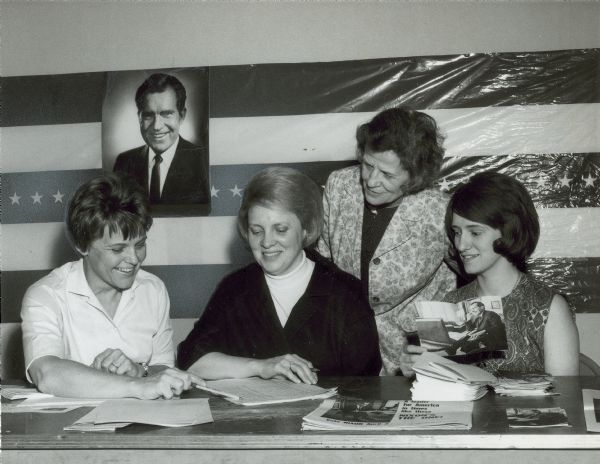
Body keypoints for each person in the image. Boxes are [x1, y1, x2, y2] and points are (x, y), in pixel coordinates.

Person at [177, 167, 382, 382]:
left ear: (306, 229)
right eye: (257, 231)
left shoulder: (346, 292)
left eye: (280, 229)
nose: (266, 242)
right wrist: (259, 366)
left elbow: (366, 387)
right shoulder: (234, 288)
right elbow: (191, 361)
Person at [21, 173, 203, 398]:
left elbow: (162, 368)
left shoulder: (153, 289)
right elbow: (47, 373)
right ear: (82, 245)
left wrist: (139, 371)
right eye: (118, 249)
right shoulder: (45, 295)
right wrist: (137, 386)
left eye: (140, 245)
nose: (134, 259)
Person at [317, 107, 456, 375]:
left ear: (415, 177)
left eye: (389, 175)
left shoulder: (440, 210)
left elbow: (453, 291)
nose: (371, 180)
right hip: (343, 351)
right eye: (368, 165)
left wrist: (437, 355)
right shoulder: (339, 185)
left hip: (410, 359)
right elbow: (323, 268)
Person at [401, 171, 579, 375]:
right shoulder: (451, 303)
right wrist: (418, 369)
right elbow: (441, 395)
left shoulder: (548, 307)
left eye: (475, 233)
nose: (461, 244)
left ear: (509, 231)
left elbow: (565, 399)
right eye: (457, 232)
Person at [113, 73, 210, 208]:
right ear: (139, 118)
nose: (157, 126)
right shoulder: (124, 162)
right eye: (148, 115)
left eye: (166, 114)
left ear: (182, 116)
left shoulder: (204, 160)